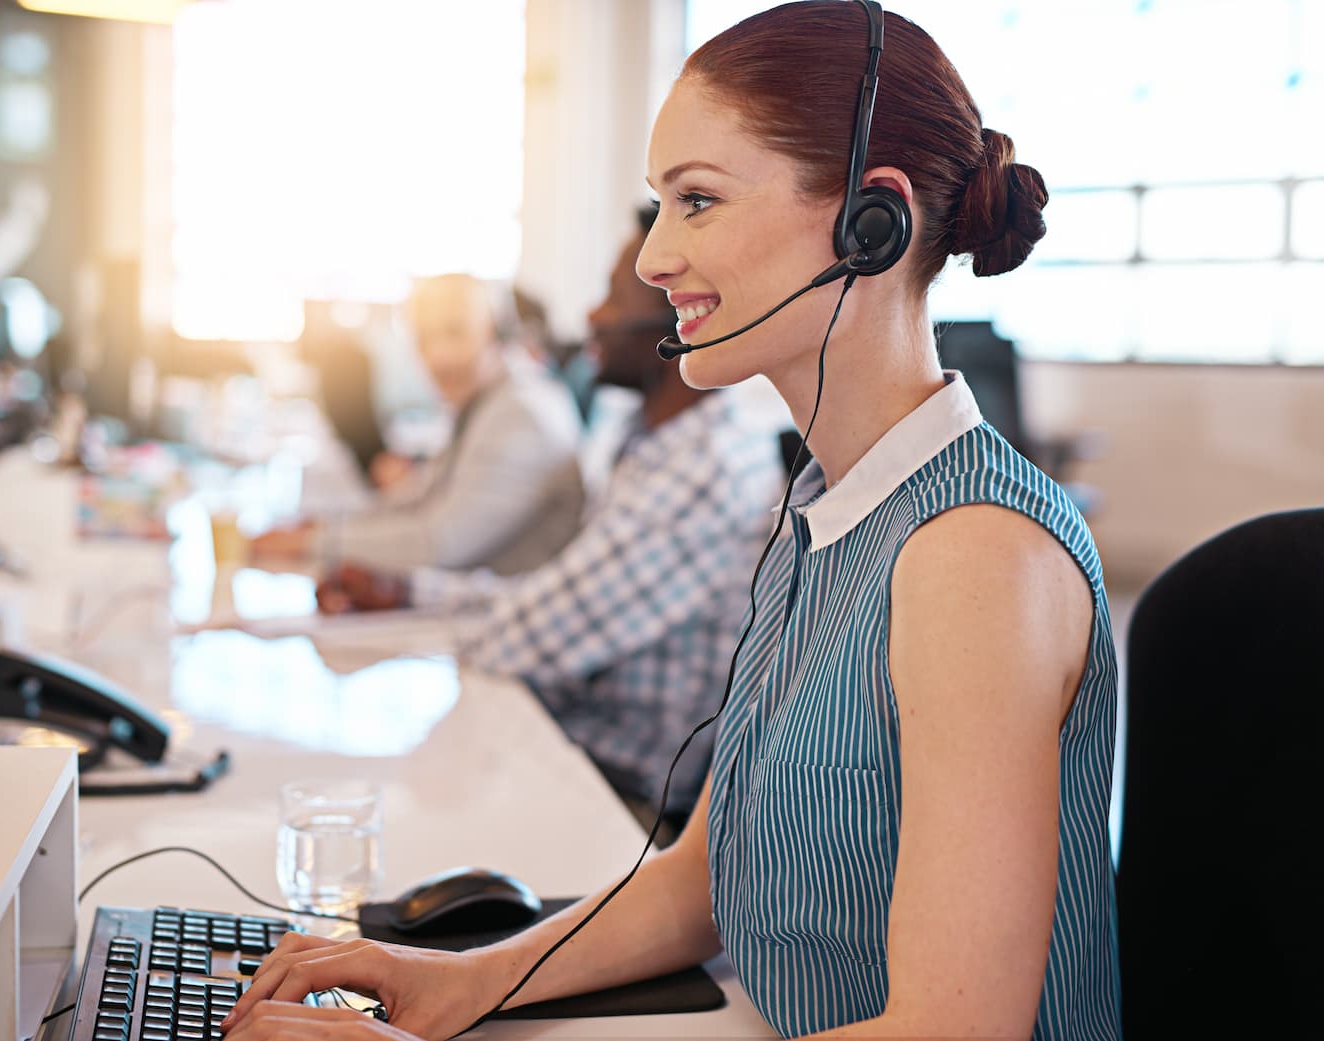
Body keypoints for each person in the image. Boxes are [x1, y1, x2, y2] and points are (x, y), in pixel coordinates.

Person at [221, 3, 1120, 1039]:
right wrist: (462, 980)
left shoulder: (977, 557)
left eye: (696, 201)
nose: (652, 260)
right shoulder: (831, 506)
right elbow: (701, 875)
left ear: (871, 222)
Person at [313, 207, 783, 827]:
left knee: (379, 806)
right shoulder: (646, 438)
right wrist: (406, 590)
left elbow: (533, 636)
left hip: (628, 802)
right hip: (576, 746)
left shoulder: (700, 470)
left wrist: (418, 602)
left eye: (612, 298)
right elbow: (553, 598)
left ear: (685, 314)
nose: (591, 317)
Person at [250, 273, 584, 576]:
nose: (439, 357)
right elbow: (420, 499)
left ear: (498, 333)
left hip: (496, 619)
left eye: (456, 332)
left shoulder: (522, 414)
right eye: (424, 339)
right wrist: (320, 527)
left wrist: (315, 542)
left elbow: (440, 543)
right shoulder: (488, 401)